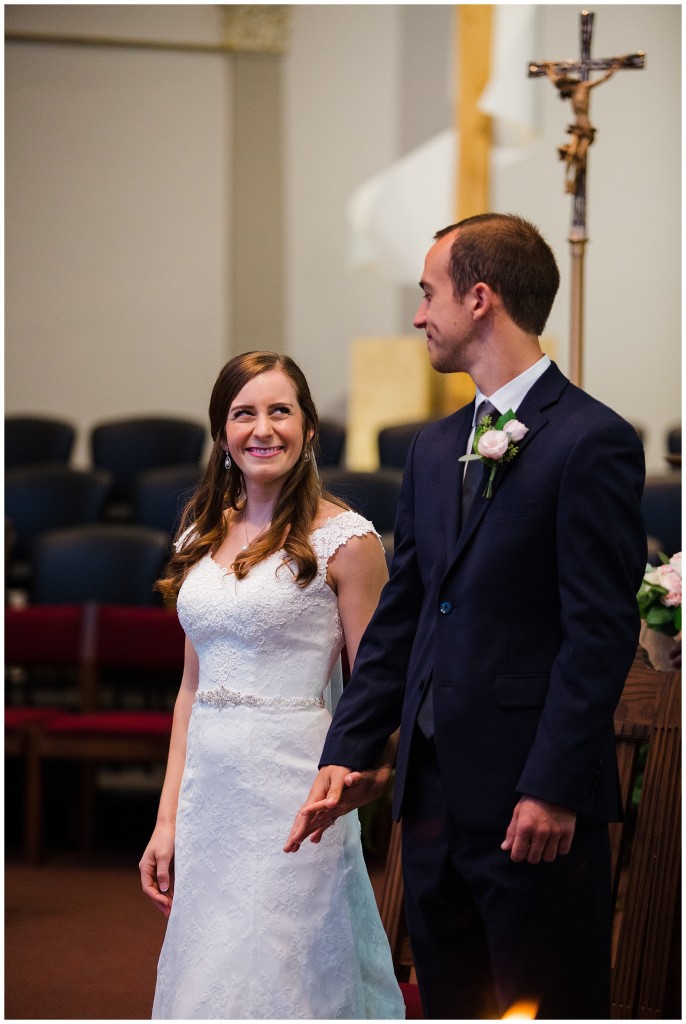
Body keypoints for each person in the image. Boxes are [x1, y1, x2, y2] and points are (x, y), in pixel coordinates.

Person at [285, 214, 647, 1019]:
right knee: (452, 1002)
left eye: (427, 294)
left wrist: (552, 787)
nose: (419, 315)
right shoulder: (431, 444)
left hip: (531, 798)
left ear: (479, 298)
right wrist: (349, 749)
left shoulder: (592, 441)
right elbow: (407, 609)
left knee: (543, 1002)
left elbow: (599, 634)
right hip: (433, 795)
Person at [140, 351, 405, 1020]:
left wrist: (365, 779)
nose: (263, 428)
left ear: (310, 428)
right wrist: (167, 819)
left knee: (292, 969)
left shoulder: (349, 541)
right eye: (244, 413)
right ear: (222, 432)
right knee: (210, 968)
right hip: (211, 789)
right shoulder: (202, 530)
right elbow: (190, 689)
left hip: (296, 782)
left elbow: (377, 683)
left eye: (280, 410)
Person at [543, 60, 622, 194]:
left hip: (585, 128)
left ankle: (574, 182)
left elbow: (602, 80)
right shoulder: (571, 90)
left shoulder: (584, 87)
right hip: (576, 127)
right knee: (571, 154)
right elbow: (556, 82)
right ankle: (568, 182)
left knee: (579, 156)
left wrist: (611, 71)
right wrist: (548, 71)